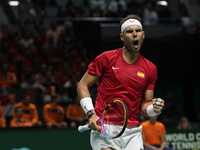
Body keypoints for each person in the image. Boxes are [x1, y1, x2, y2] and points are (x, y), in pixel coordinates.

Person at [77, 14, 165, 150]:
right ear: (122, 37)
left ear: (143, 34)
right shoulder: (106, 59)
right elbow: (82, 85)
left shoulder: (150, 68)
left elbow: (145, 107)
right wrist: (91, 114)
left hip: (132, 133)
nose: (134, 34)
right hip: (104, 128)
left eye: (137, 31)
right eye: (129, 31)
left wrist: (154, 109)